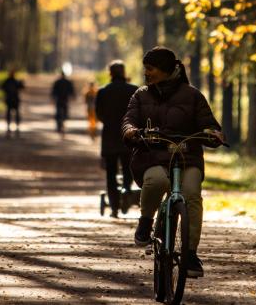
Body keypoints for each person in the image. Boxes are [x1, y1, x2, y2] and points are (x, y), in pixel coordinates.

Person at [122, 46, 224, 278]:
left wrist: (213, 133)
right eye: (145, 69)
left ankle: (190, 255)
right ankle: (146, 221)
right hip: (152, 156)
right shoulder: (141, 95)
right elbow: (129, 120)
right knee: (156, 181)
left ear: (166, 70)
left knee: (191, 196)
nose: (146, 73)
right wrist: (131, 131)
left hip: (187, 158)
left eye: (151, 69)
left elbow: (209, 123)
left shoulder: (193, 95)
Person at [95, 61, 138, 218]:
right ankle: (126, 190)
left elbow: (99, 114)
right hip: (129, 137)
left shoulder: (103, 92)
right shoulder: (134, 91)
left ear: (110, 73)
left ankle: (114, 207)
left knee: (110, 174)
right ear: (123, 72)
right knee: (128, 169)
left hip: (110, 138)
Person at [51, 71, 76, 137]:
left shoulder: (57, 82)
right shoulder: (68, 82)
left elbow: (53, 91)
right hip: (65, 100)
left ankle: (59, 126)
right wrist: (73, 96)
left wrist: (53, 97)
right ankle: (62, 123)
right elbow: (72, 90)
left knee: (58, 113)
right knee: (64, 112)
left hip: (59, 100)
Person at [1, 70, 24, 137]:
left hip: (14, 100)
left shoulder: (15, 81)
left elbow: (21, 87)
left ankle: (16, 128)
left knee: (15, 114)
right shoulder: (8, 81)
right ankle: (9, 128)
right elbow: (2, 88)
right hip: (10, 100)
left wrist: (21, 83)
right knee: (9, 114)